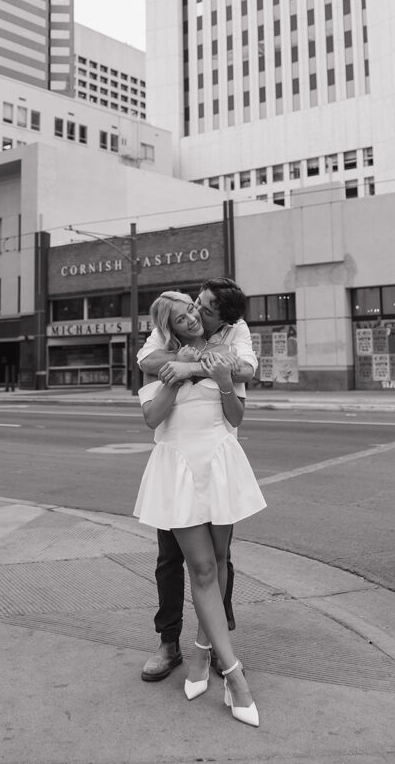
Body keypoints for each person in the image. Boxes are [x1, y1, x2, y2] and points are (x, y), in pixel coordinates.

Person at [133, 291, 265, 726]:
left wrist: (221, 379)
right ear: (167, 327)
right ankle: (232, 674)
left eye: (196, 308)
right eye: (184, 314)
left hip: (220, 463)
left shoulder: (226, 346)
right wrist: (177, 373)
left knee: (220, 560)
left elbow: (237, 409)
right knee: (198, 568)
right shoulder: (159, 357)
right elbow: (153, 417)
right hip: (180, 470)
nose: (194, 314)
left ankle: (204, 651)